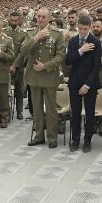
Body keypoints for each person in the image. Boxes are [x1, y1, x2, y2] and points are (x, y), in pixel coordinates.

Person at [17, 8, 65, 148]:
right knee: (36, 108)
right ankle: (39, 136)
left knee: (51, 109)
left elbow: (61, 56)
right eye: (38, 16)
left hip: (50, 76)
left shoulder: (57, 34)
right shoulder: (30, 33)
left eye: (43, 16)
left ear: (50, 18)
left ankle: (52, 137)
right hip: (34, 77)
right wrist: (36, 38)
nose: (40, 19)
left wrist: (45, 66)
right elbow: (23, 51)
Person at [64, 14, 102, 152]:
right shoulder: (73, 41)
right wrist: (81, 50)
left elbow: (97, 66)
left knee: (90, 114)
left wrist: (87, 85)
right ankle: (75, 140)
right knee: (75, 114)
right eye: (80, 28)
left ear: (90, 28)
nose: (82, 31)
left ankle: (87, 140)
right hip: (74, 82)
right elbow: (68, 60)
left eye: (85, 29)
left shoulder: (95, 42)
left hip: (89, 84)